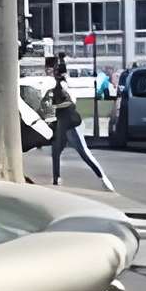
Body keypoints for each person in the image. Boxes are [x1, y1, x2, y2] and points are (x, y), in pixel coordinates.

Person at [41, 53, 114, 191]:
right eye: (47, 68)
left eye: (49, 68)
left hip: (72, 123)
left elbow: (68, 102)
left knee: (84, 153)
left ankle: (103, 178)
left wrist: (53, 107)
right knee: (55, 151)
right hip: (61, 124)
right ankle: (56, 181)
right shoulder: (49, 84)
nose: (47, 71)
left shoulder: (61, 83)